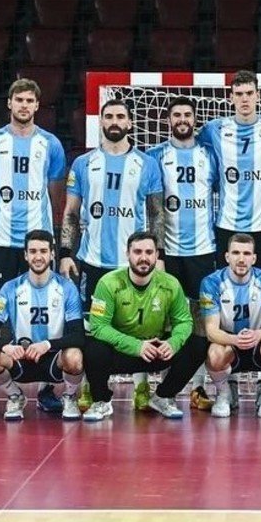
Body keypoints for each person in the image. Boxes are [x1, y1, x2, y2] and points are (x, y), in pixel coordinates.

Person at [0, 78, 67, 414]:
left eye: (30, 101)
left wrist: (44, 236)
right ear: (9, 103)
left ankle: (49, 388)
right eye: (18, 100)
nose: (24, 105)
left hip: (37, 244)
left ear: (38, 106)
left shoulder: (51, 145)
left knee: (47, 311)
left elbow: (56, 197)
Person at [60, 97, 163, 412]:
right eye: (109, 116)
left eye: (120, 116)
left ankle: (143, 388)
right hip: (94, 261)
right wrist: (66, 252)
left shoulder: (147, 164)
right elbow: (70, 214)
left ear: (130, 123)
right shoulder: (83, 164)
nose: (114, 121)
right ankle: (93, 387)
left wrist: (157, 255)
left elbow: (156, 213)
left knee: (142, 325)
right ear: (100, 122)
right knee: (95, 329)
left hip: (134, 264)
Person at [148, 96, 222, 412]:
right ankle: (162, 387)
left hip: (204, 251)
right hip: (168, 252)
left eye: (187, 115)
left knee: (201, 322)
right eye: (176, 114)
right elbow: (151, 207)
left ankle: (198, 386)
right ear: (168, 120)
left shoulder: (210, 156)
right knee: (166, 320)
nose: (182, 119)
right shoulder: (155, 157)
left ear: (195, 119)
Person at [82, 231, 198, 421]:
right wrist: (136, 346)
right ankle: (101, 401)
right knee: (94, 347)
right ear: (127, 254)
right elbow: (98, 326)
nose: (143, 258)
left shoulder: (171, 284)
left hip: (155, 351)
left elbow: (184, 321)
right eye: (137, 252)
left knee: (197, 344)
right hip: (121, 351)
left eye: (149, 252)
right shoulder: (108, 283)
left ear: (156, 256)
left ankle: (162, 397)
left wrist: (174, 343)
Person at [0, 230, 86, 421]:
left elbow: (78, 335)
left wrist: (48, 344)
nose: (38, 257)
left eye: (43, 251)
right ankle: (15, 396)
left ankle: (69, 397)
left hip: (53, 359)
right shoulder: (10, 288)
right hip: (21, 358)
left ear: (52, 254)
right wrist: (6, 346)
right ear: (26, 255)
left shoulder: (66, 288)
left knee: (75, 356)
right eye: (33, 251)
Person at [196, 70, 261, 272]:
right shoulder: (214, 128)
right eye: (239, 94)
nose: (245, 99)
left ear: (258, 96)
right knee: (228, 285)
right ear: (231, 97)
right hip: (227, 224)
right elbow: (191, 149)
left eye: (250, 93)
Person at [199, 234, 261, 418]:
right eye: (236, 253)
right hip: (230, 344)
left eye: (247, 253)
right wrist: (235, 339)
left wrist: (257, 335)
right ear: (227, 257)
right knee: (214, 353)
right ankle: (224, 394)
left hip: (258, 343)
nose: (241, 259)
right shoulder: (211, 282)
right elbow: (211, 331)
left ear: (254, 258)